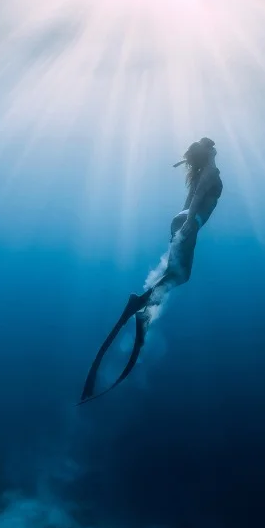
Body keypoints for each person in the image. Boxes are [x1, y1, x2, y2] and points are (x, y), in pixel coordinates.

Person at [79, 138, 223, 404]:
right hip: (189, 222)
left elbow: (192, 197)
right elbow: (201, 195)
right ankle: (138, 304)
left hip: (182, 221)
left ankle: (145, 310)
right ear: (208, 153)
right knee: (181, 275)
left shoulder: (203, 173)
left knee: (175, 275)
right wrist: (190, 223)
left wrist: (184, 224)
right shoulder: (211, 172)